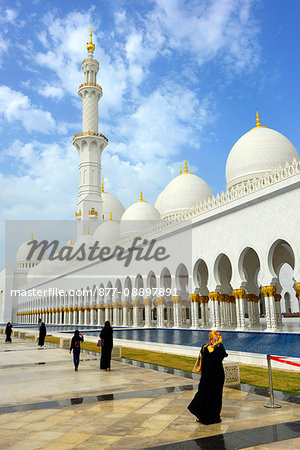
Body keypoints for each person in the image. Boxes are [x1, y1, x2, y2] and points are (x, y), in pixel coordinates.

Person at [188, 330, 228, 425]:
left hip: (217, 376)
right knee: (203, 394)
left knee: (216, 396)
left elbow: (222, 355)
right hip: (206, 376)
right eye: (215, 336)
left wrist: (218, 345)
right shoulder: (204, 348)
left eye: (218, 336)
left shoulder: (220, 348)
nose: (217, 338)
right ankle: (201, 415)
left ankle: (215, 417)